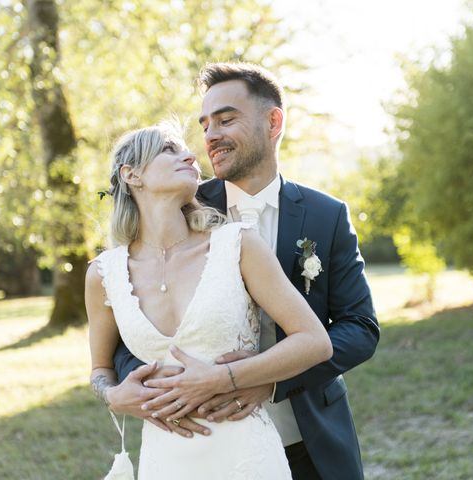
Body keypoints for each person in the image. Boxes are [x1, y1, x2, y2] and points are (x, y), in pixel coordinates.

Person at [112, 63, 380, 479]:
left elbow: (360, 327)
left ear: (273, 121)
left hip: (309, 439)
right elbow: (129, 317)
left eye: (226, 119)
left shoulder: (325, 216)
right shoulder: (176, 206)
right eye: (205, 125)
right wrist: (142, 387)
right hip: (203, 441)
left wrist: (268, 378)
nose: (210, 136)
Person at [85, 122, 334, 479]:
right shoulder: (103, 274)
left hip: (246, 455)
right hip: (166, 458)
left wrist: (226, 377)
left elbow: (315, 341)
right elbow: (100, 370)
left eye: (187, 149)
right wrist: (112, 396)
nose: (190, 155)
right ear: (132, 174)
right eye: (169, 149)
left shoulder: (236, 245)